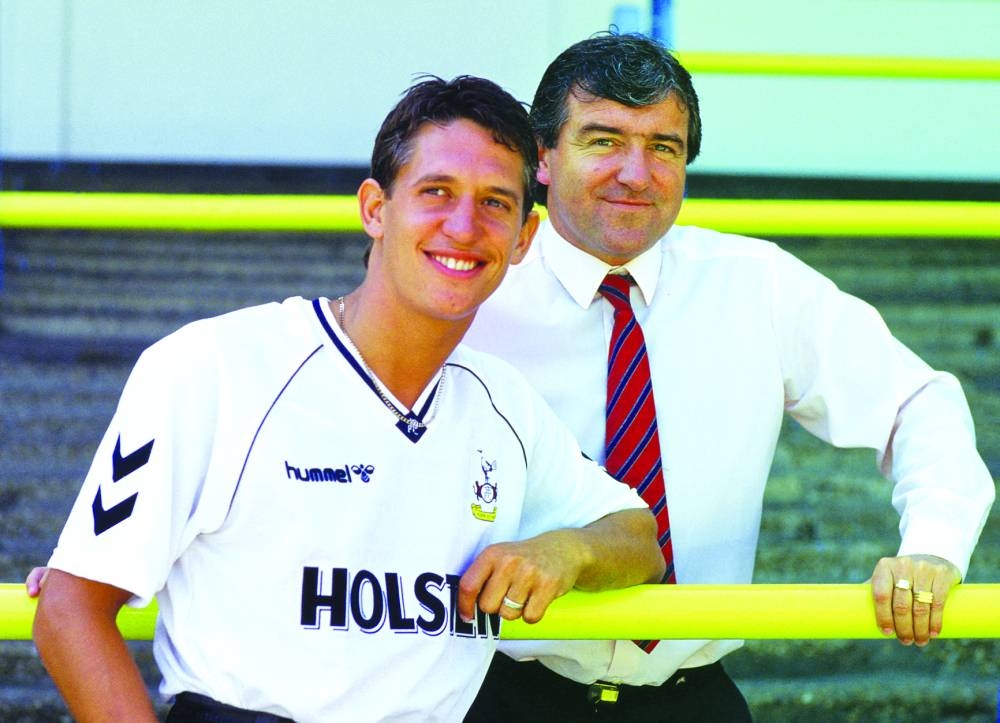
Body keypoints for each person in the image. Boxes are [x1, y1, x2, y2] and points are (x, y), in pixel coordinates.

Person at [29, 75, 665, 722]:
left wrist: (565, 550)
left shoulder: (501, 402)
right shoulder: (214, 366)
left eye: (496, 203)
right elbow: (69, 609)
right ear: (374, 208)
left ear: (524, 239)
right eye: (436, 192)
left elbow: (640, 539)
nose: (464, 225)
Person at [461, 32, 995, 720]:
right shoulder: (475, 295)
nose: (635, 172)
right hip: (503, 694)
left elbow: (919, 400)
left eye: (663, 147)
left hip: (694, 698)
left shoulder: (756, 284)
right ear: (543, 156)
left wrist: (932, 547)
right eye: (603, 140)